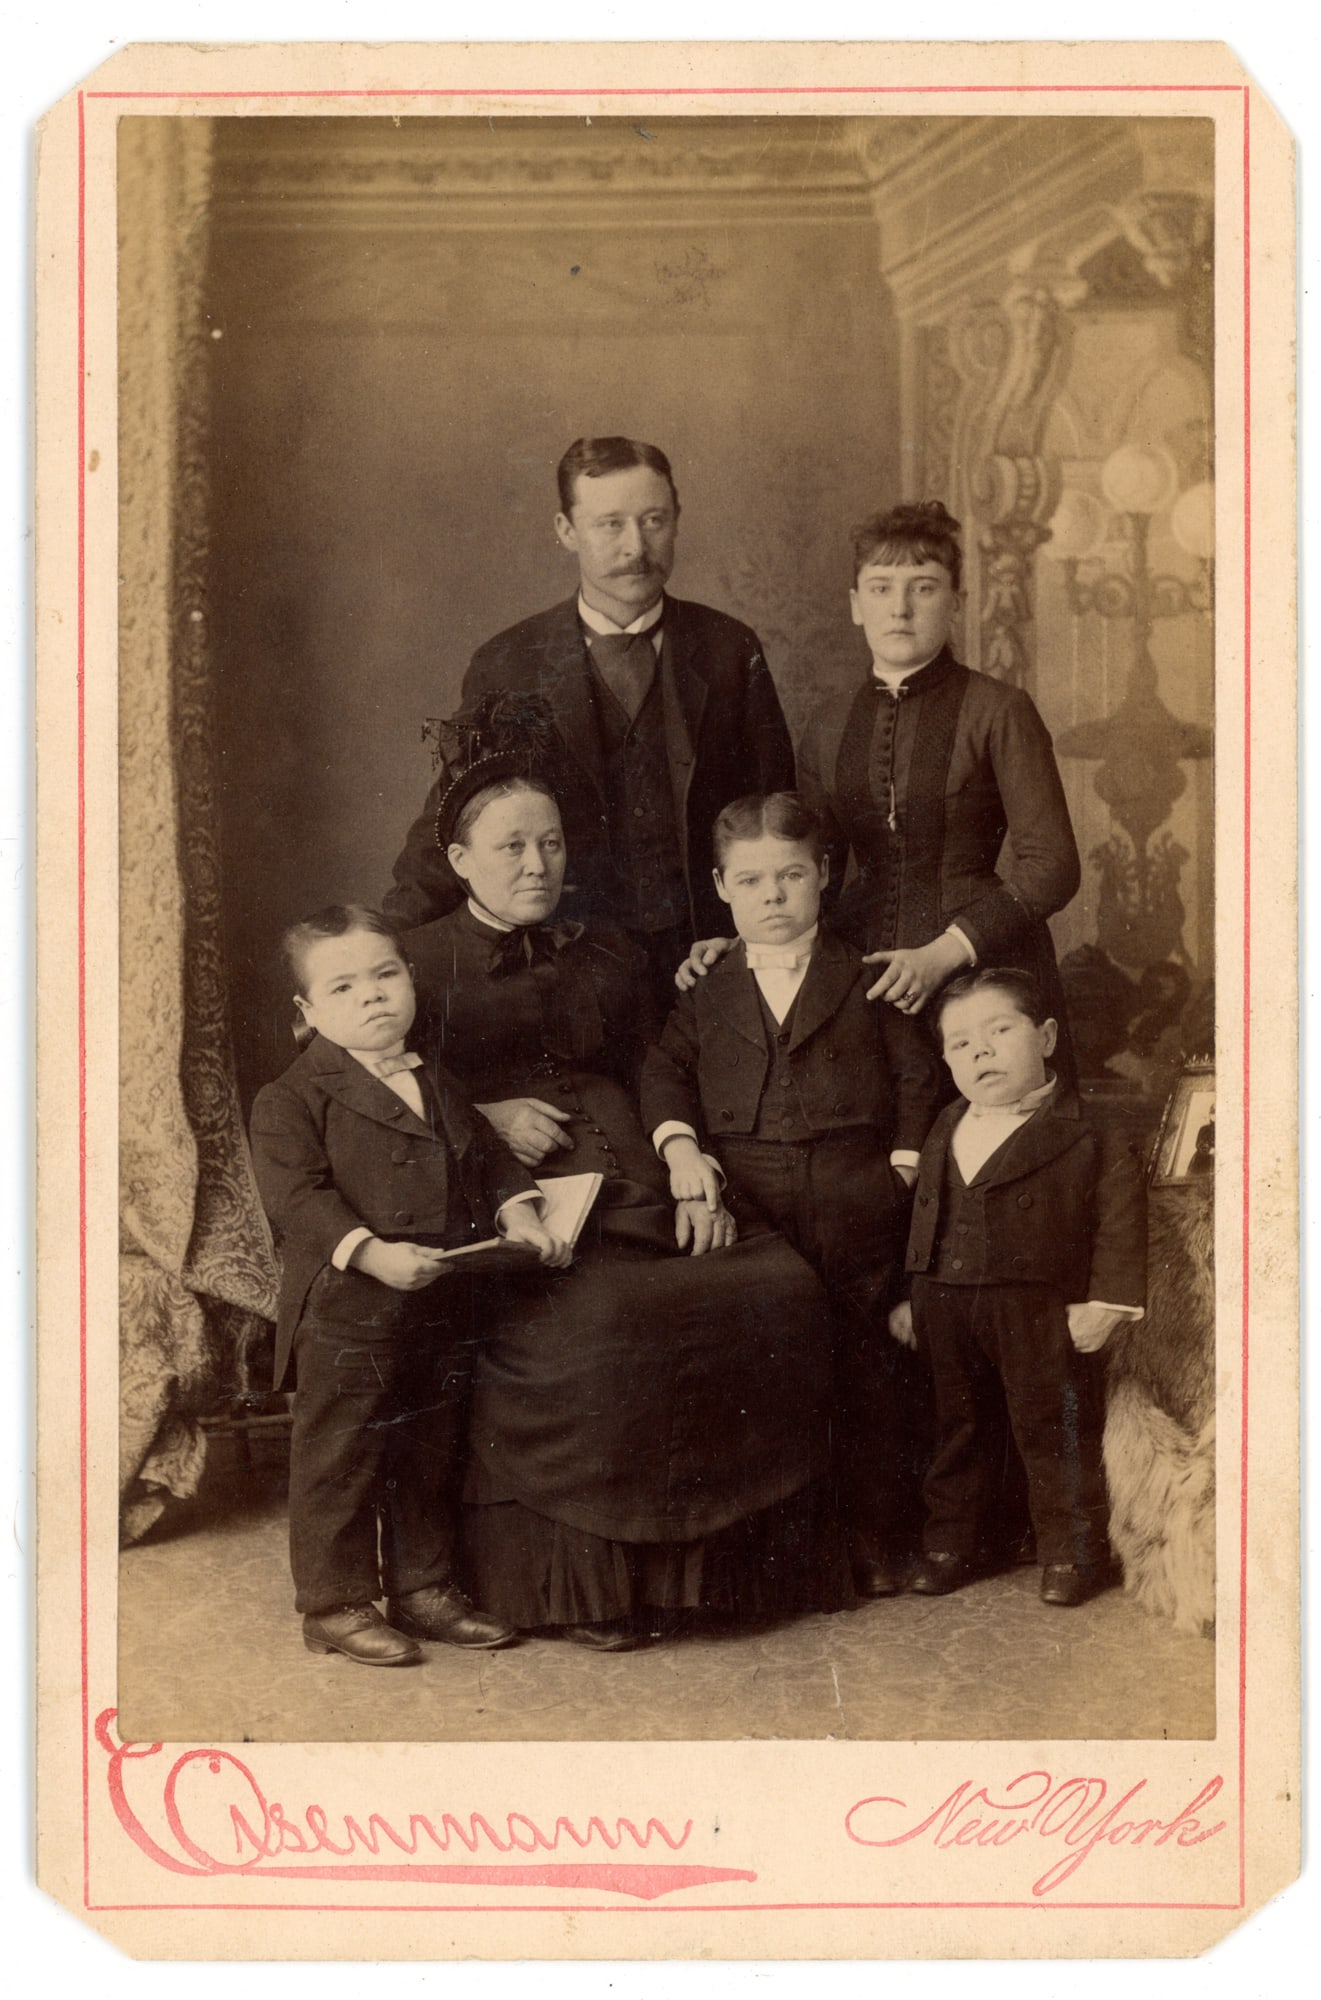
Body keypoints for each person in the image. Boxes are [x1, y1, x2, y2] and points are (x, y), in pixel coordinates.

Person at [404, 712, 846, 1651]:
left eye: (552, 842)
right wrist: (483, 1118)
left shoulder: (608, 950)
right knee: (608, 1320)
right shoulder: (416, 960)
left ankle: (720, 1583)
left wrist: (689, 1164)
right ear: (458, 858)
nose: (536, 863)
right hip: (518, 1201)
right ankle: (598, 1591)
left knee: (777, 1286)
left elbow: (662, 1060)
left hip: (641, 1169)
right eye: (511, 846)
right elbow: (377, 1088)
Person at [638, 792, 945, 1596]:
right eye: (749, 881)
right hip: (744, 1193)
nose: (770, 898)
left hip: (853, 1190)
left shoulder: (868, 977)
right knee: (766, 1367)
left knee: (866, 1368)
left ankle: (879, 1539)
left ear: (824, 877)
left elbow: (916, 1073)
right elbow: (664, 1071)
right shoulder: (706, 984)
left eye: (789, 877)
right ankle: (778, 1556)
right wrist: (681, 1149)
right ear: (720, 886)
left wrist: (904, 1166)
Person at [249, 905, 570, 1668]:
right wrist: (370, 1252)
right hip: (349, 1311)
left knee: (427, 1446)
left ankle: (423, 1586)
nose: (372, 996)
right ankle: (333, 1602)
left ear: (411, 980)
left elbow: (486, 1159)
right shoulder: (290, 1098)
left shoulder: (437, 1078)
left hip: (438, 1297)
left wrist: (520, 1210)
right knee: (343, 1455)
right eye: (344, 986)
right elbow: (298, 1201)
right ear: (307, 1012)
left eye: (386, 974)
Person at [385, 435, 796, 1014]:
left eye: (653, 520)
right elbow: (452, 819)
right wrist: (376, 950)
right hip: (567, 965)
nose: (635, 546)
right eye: (609, 524)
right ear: (566, 530)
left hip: (708, 956)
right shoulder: (510, 662)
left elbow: (778, 811)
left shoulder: (729, 648)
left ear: (676, 520)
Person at [682, 500, 1081, 1080]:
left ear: (956, 602)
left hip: (982, 971)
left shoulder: (999, 710)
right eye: (880, 588)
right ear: (854, 604)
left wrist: (944, 953)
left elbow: (1053, 867)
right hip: (862, 981)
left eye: (923, 588)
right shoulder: (827, 723)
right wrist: (744, 944)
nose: (899, 609)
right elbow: (806, 870)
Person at [889, 968, 1147, 1608]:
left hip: (1036, 1304)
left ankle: (1072, 1551)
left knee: (1051, 1425)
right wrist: (913, 1291)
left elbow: (1120, 1220)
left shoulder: (1093, 1129)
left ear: (1048, 1036)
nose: (981, 1051)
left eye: (1000, 1030)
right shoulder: (947, 1121)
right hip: (947, 1298)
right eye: (960, 1044)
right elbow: (927, 1209)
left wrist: (1108, 1303)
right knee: (958, 1425)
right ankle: (954, 1540)